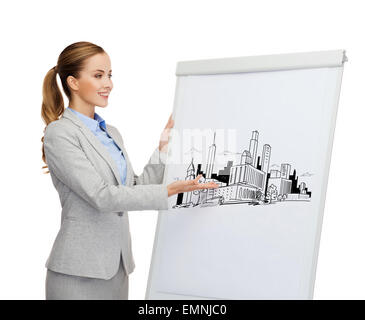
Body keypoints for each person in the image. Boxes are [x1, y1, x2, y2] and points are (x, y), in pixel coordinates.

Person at [40, 41, 218, 300]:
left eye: (109, 75)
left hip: (118, 268)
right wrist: (167, 191)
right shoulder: (60, 134)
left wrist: (163, 150)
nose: (108, 83)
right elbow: (101, 196)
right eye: (98, 75)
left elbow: (131, 188)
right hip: (78, 273)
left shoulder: (111, 133)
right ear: (73, 82)